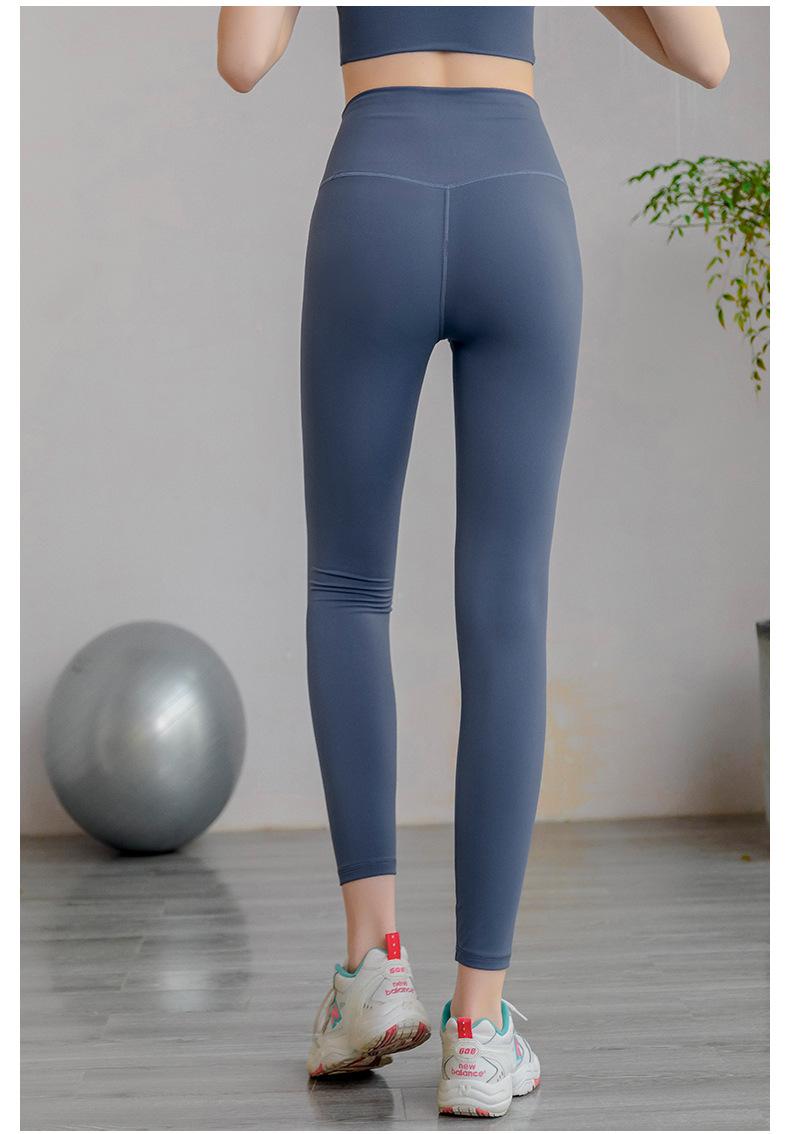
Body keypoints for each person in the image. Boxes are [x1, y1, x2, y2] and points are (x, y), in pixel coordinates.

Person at [217, 5, 730, 1118]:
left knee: (348, 587)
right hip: (519, 204)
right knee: (506, 605)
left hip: (374, 199)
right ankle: (480, 1033)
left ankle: (372, 974)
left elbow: (244, 60)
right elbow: (705, 53)